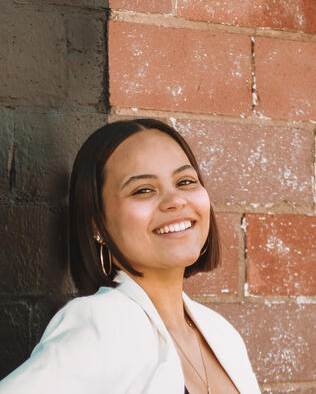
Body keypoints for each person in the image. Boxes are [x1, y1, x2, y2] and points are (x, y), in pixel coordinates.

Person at [0, 119, 261, 394]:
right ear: (97, 224)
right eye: (143, 190)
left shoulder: (221, 333)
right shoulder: (101, 323)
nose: (175, 200)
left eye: (185, 181)